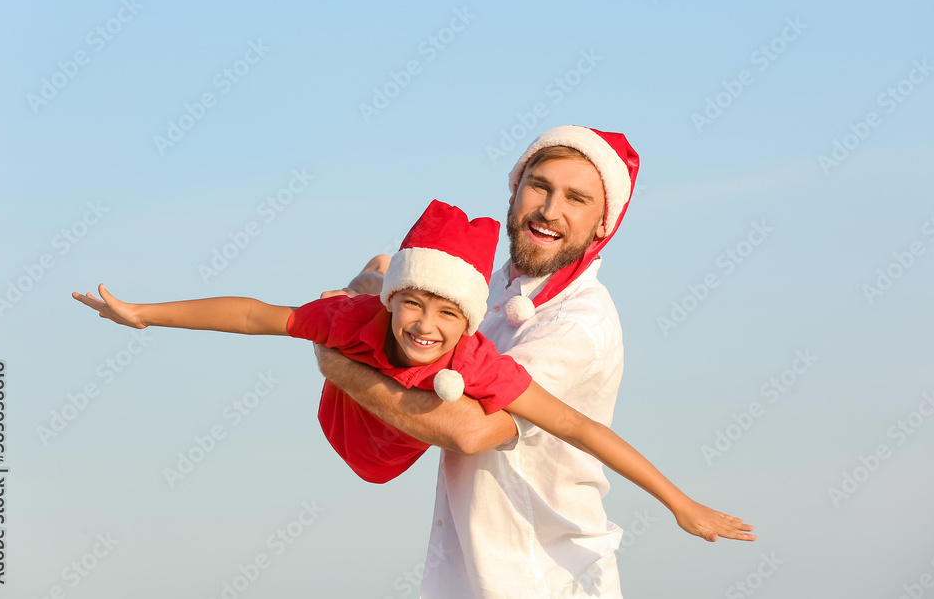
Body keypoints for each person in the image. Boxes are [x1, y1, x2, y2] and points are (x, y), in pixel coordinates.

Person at [71, 200, 754, 554]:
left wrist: (678, 501)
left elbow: (577, 425)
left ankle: (382, 262)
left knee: (381, 318)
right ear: (394, 304)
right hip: (343, 412)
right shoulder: (356, 318)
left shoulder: (476, 360)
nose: (427, 325)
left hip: (384, 450)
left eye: (448, 314)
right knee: (343, 300)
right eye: (413, 305)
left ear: (470, 321)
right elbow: (254, 315)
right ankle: (381, 266)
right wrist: (144, 314)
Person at [313, 125, 747, 598]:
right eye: (539, 185)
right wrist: (371, 288)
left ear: (604, 224)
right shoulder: (488, 291)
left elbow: (470, 431)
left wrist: (335, 359)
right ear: (515, 189)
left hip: (542, 579)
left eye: (576, 199)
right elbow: (396, 290)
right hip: (468, 577)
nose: (549, 209)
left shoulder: (578, 322)